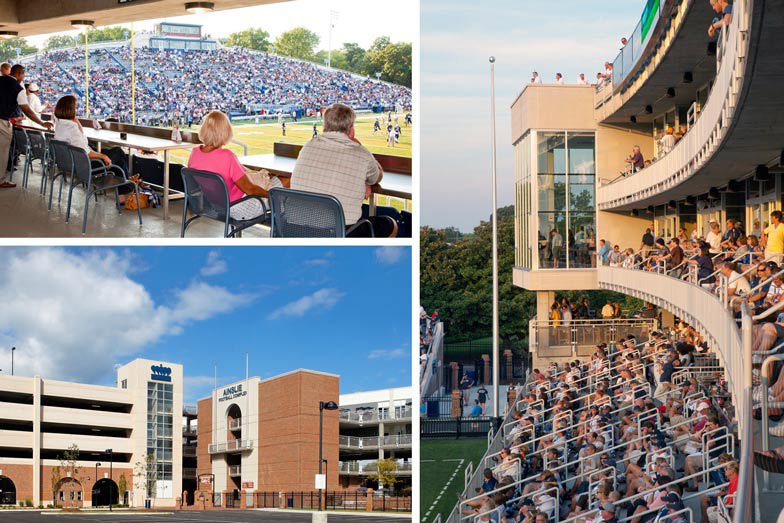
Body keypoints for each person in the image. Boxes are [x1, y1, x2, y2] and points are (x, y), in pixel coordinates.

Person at [292, 103, 398, 237]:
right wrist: (358, 146)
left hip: (295, 228)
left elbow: (328, 171)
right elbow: (376, 177)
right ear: (351, 129)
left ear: (325, 125)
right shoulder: (361, 154)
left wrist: (361, 179)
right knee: (390, 224)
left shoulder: (308, 145)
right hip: (339, 232)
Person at [187, 110, 289, 221]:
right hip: (237, 208)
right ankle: (284, 225)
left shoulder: (194, 153)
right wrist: (270, 195)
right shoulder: (227, 156)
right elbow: (250, 189)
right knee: (286, 180)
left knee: (270, 183)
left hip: (215, 206)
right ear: (225, 131)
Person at [0, 64, 53, 189]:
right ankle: (0, 179)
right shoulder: (18, 88)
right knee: (2, 151)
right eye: (23, 75)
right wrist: (42, 123)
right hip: (2, 121)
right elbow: (27, 111)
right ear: (19, 73)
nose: (23, 78)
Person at [52, 95, 112, 165]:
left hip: (70, 163)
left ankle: (111, 170)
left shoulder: (59, 124)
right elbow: (86, 153)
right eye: (74, 108)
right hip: (84, 165)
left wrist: (74, 118)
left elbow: (81, 134)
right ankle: (111, 171)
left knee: (108, 151)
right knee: (117, 152)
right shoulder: (72, 129)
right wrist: (104, 156)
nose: (76, 110)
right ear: (71, 110)